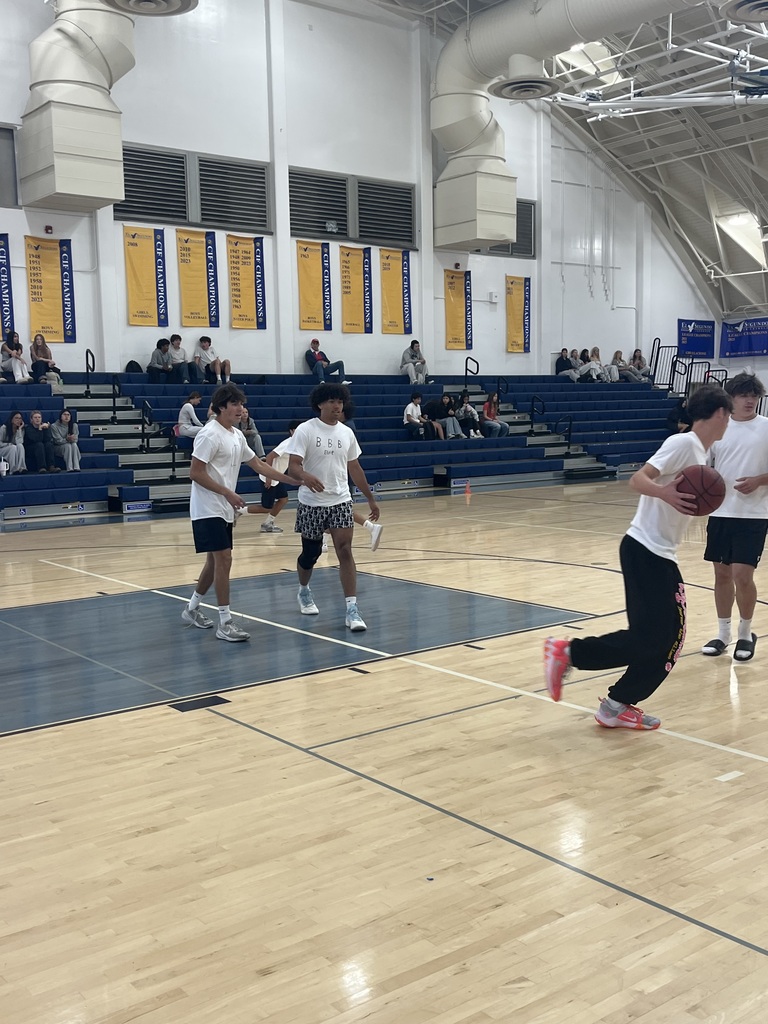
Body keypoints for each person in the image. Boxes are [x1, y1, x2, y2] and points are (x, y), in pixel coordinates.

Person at [544, 382, 733, 730]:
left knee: (662, 640)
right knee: (664, 639)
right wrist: (665, 493)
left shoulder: (700, 454)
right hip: (645, 550)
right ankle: (569, 653)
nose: (729, 421)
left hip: (656, 553)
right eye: (728, 415)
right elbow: (638, 479)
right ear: (720, 413)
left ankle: (615, 705)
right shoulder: (683, 443)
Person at [181, 383, 318, 642]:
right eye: (236, 405)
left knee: (214, 563)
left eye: (242, 405)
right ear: (222, 407)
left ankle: (191, 609)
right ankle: (225, 622)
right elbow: (195, 473)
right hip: (207, 507)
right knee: (224, 559)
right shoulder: (209, 435)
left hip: (224, 508)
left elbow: (257, 463)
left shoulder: (236, 435)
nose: (241, 409)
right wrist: (227, 492)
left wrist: (292, 480)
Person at [285, 382, 380, 631]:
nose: (337, 406)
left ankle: (352, 609)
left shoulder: (347, 433)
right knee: (311, 554)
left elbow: (355, 467)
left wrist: (369, 497)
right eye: (331, 401)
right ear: (320, 404)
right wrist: (305, 476)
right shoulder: (306, 430)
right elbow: (293, 466)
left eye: (340, 401)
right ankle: (304, 590)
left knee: (345, 550)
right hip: (311, 502)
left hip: (340, 499)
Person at [701, 373, 768, 662]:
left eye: (754, 395)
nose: (750, 400)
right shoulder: (718, 429)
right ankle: (723, 633)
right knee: (722, 575)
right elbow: (702, 467)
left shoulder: (766, 428)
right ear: (731, 399)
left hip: (754, 514)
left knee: (743, 575)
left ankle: (745, 633)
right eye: (743, 395)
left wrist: (759, 480)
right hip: (721, 512)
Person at [241, 418, 302, 533]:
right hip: (268, 477)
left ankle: (268, 523)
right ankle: (239, 511)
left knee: (283, 499)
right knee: (266, 507)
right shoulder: (288, 443)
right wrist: (268, 477)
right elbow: (269, 457)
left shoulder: (297, 445)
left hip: (276, 478)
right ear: (292, 431)